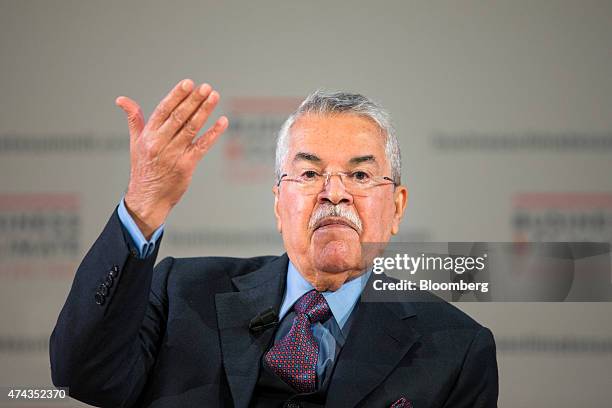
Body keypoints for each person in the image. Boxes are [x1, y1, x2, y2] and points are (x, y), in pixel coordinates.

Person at [50, 79, 498, 407]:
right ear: (278, 202)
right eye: (309, 173)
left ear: (397, 207)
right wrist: (143, 208)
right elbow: (82, 376)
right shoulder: (181, 292)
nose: (335, 192)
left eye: (360, 175)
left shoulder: (456, 347)